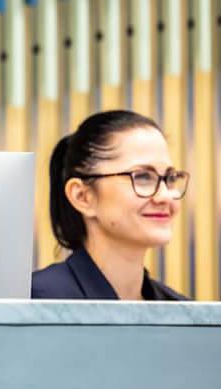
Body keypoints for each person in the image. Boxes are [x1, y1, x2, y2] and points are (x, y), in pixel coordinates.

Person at [31, 110, 189, 300]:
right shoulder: (39, 302)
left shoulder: (180, 311)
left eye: (170, 178)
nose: (164, 196)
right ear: (82, 197)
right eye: (142, 177)